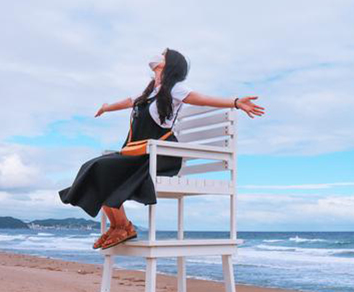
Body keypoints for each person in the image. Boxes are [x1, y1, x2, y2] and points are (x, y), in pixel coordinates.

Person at [58, 48, 265, 249]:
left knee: (102, 168)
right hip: (141, 152)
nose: (158, 56)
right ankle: (118, 225)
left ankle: (123, 226)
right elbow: (128, 102)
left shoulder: (175, 88)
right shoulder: (149, 91)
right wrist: (106, 107)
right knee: (93, 166)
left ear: (171, 64)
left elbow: (201, 99)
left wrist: (236, 102)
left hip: (163, 155)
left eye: (164, 55)